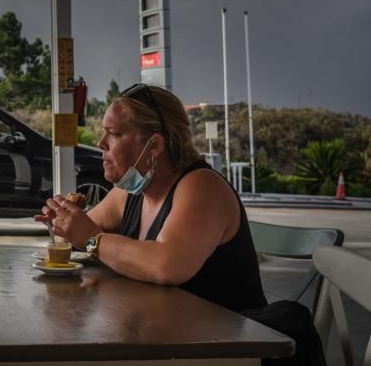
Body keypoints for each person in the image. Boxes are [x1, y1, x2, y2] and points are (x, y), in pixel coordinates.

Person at [36, 83, 267, 313]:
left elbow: (165, 265)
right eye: (103, 132)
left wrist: (91, 239)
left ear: (154, 145)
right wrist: (64, 223)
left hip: (229, 341)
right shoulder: (131, 191)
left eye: (114, 134)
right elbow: (72, 239)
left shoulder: (203, 186)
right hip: (169, 333)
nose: (101, 143)